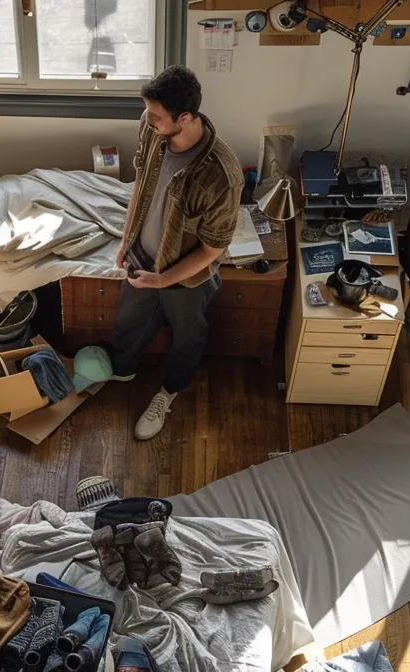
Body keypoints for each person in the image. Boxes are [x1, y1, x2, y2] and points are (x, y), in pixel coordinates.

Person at [109, 65, 243, 441]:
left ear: (185, 117)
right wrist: (125, 241)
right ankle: (121, 371)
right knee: (128, 322)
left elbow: (213, 248)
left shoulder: (221, 175)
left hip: (185, 276)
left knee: (188, 337)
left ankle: (168, 393)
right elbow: (141, 181)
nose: (148, 121)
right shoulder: (153, 129)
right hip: (142, 256)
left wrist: (163, 280)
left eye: (156, 115)